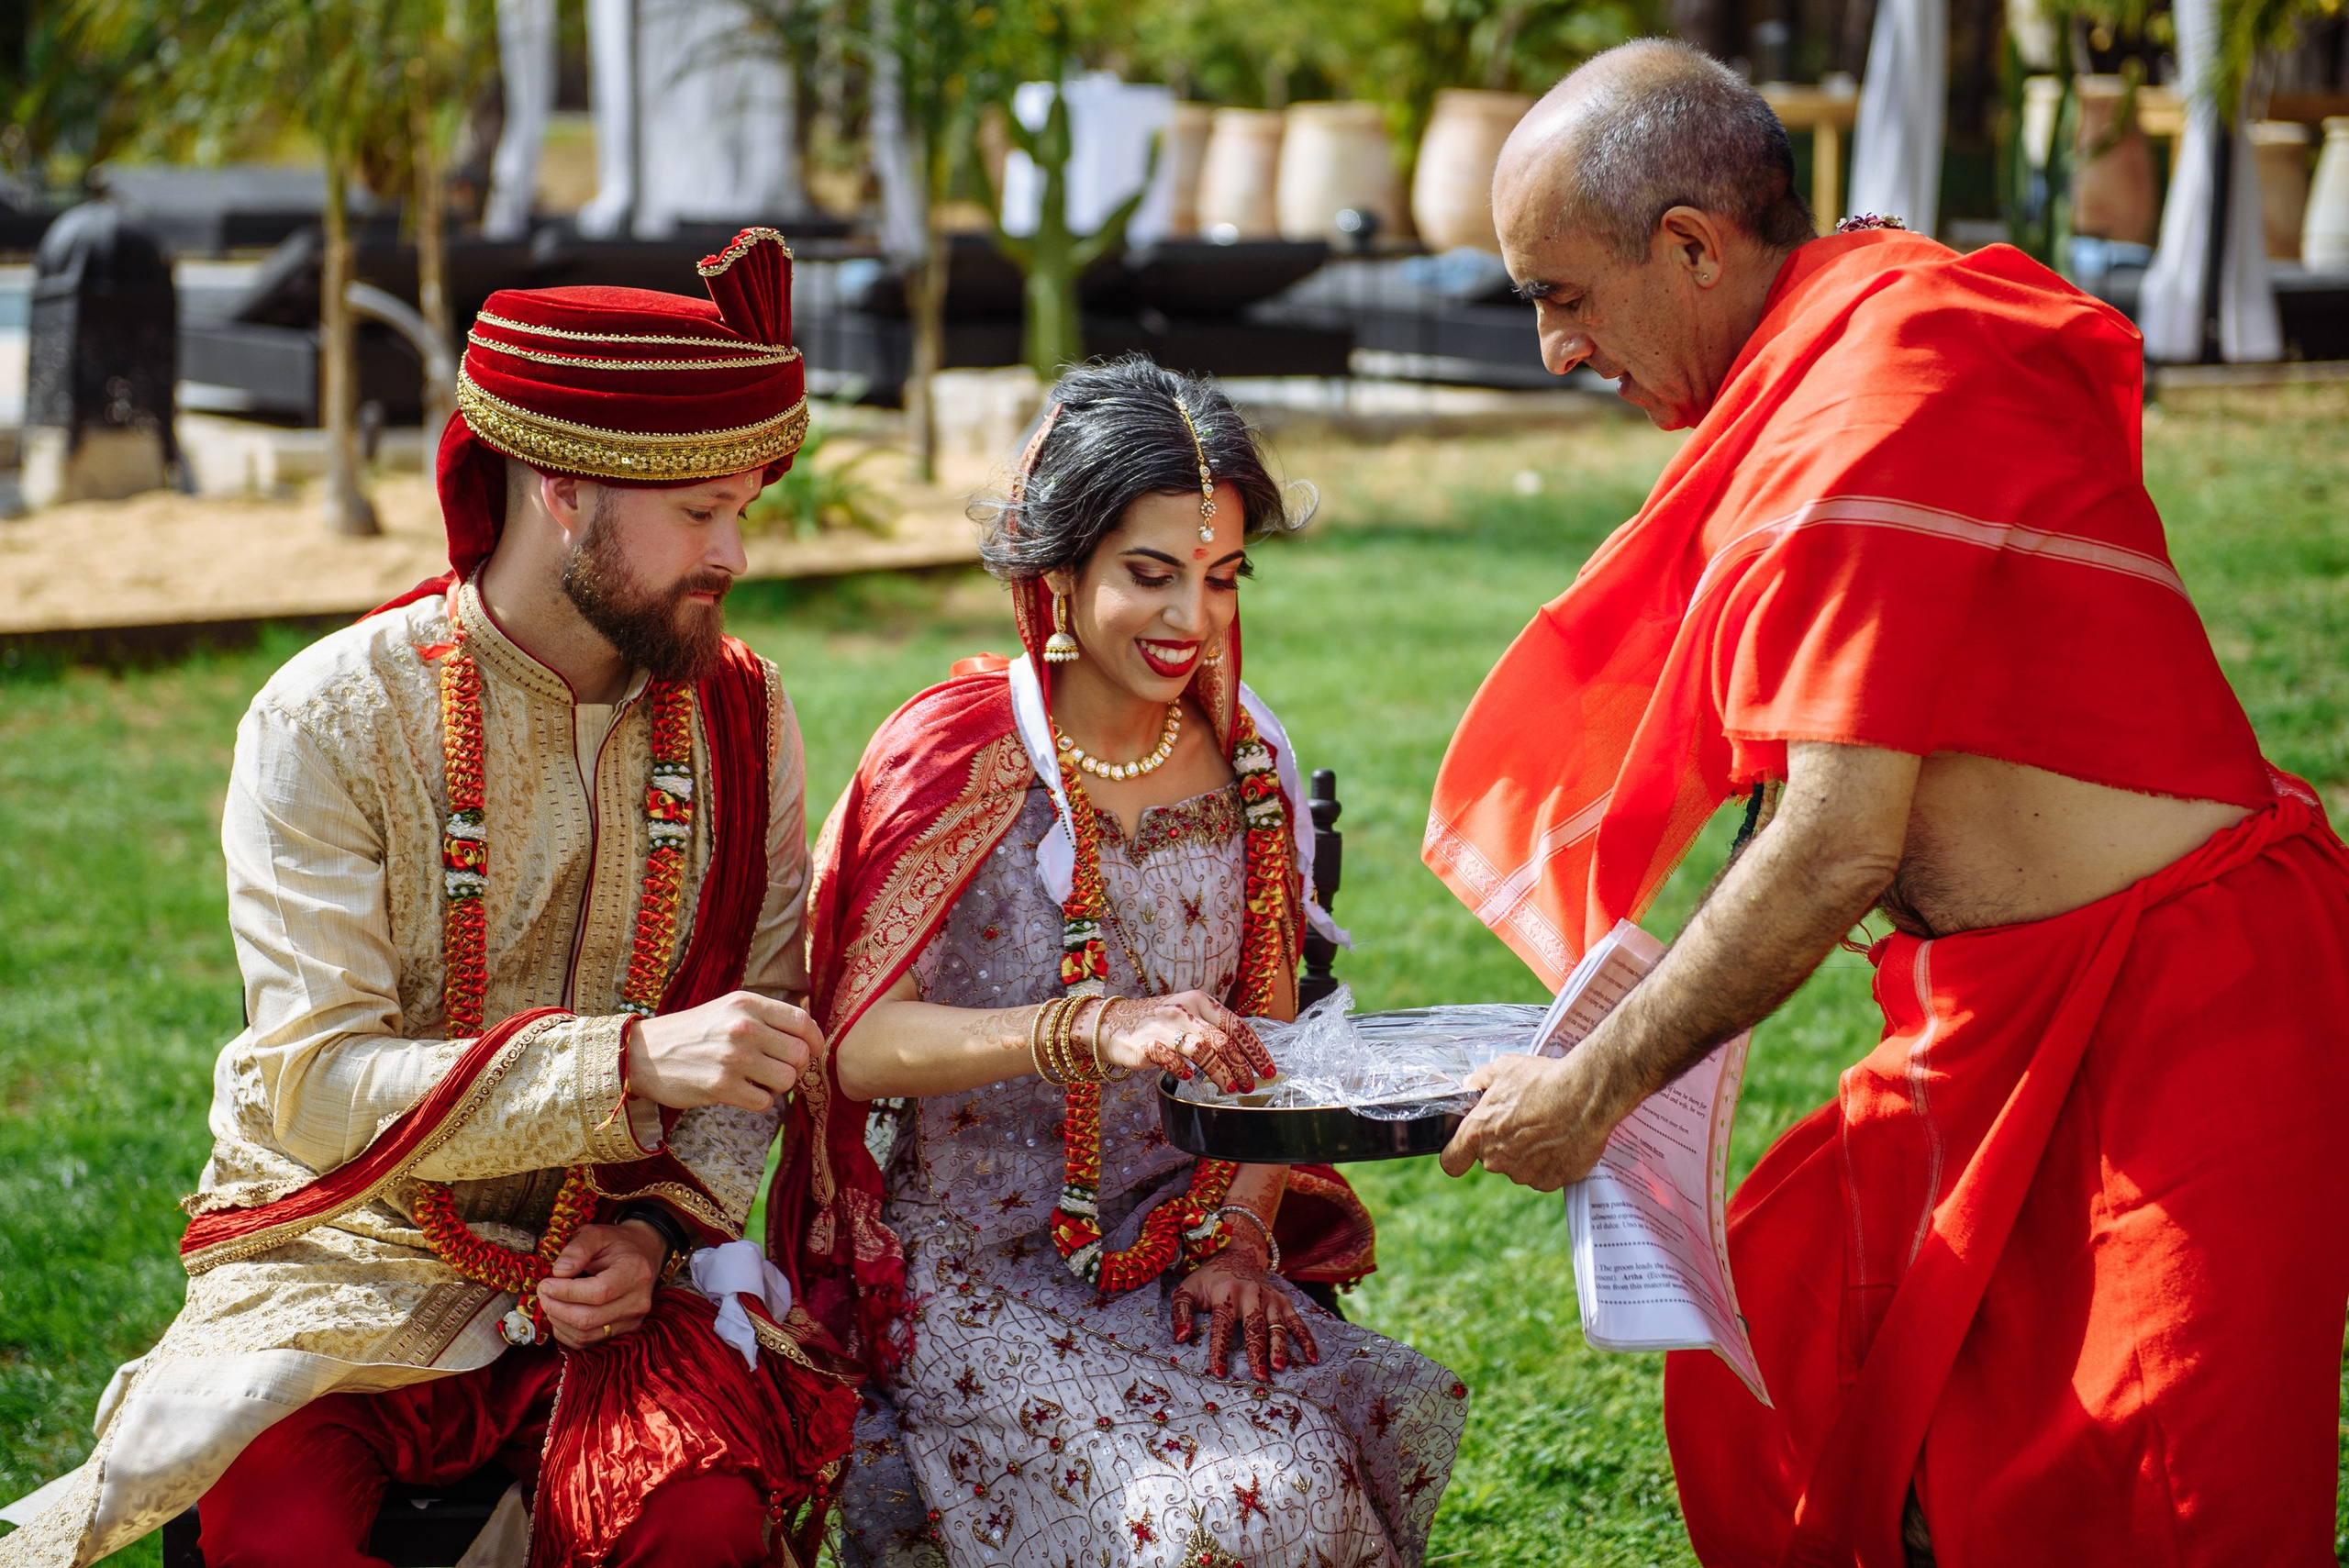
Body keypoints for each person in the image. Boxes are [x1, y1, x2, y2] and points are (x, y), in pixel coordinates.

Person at [1425, 40, 2349, 1568]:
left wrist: (1591, 1089)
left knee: (2161, 1500)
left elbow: (1837, 840)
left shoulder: (1880, 382)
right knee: (1798, 1344)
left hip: (2180, 1005)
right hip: (1988, 1009)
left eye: (1563, 295)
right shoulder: (1841, 351)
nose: (1555, 349)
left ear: (1692, 247)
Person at [0, 229, 861, 1568]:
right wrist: (628, 1060)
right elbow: (314, 1083)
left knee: (702, 1525)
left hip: (610, 1290)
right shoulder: (332, 716)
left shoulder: (740, 718)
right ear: (562, 488)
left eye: (744, 507)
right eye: (701, 511)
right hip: (346, 1263)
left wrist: (650, 1232)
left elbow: (764, 1026)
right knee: (272, 1532)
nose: (734, 552)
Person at [773, 358, 1467, 1567]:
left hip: (1183, 1238)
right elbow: (858, 1045)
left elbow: (1270, 1043)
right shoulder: (955, 759)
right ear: (1059, 568)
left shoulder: (1248, 757)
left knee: (1310, 1466)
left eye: (1220, 576)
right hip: (976, 1266)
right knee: (1229, 1511)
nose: (1191, 619)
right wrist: (1088, 1026)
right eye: (1150, 574)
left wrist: (1241, 1234)